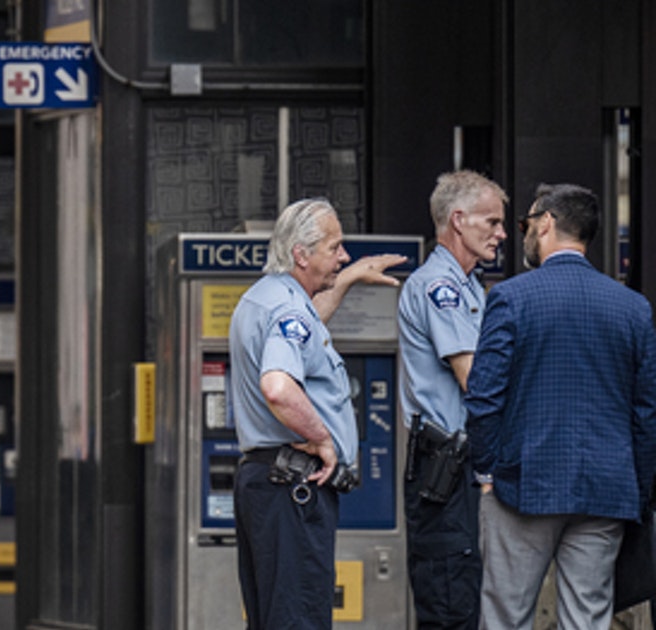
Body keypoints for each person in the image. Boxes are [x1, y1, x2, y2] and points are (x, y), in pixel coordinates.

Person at [465, 183, 656, 630]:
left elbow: (484, 397)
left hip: (521, 485)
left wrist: (487, 471)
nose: (523, 234)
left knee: (506, 617)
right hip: (606, 491)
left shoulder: (512, 298)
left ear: (546, 223)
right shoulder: (633, 308)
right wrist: (637, 491)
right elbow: (646, 412)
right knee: (587, 619)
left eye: (527, 223)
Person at [229, 197, 407, 629]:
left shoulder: (268, 300)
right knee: (299, 618)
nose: (344, 255)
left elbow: (306, 334)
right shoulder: (288, 310)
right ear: (301, 255)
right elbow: (278, 386)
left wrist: (345, 280)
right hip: (293, 488)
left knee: (274, 616)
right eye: (335, 248)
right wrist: (324, 439)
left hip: (267, 485)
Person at [397, 170, 508, 629]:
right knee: (450, 603)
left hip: (460, 464)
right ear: (458, 221)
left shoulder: (466, 285)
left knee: (467, 594)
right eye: (492, 221)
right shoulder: (438, 286)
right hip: (444, 464)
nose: (502, 233)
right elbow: (474, 379)